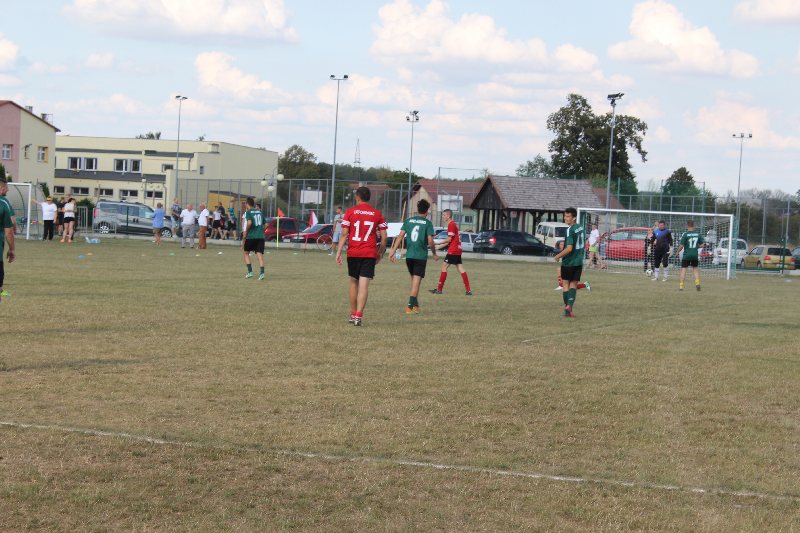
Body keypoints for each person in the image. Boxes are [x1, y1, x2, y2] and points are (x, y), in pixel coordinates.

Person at [335, 186, 388, 326]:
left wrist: (338, 252)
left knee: (354, 282)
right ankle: (358, 316)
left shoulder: (350, 212)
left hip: (353, 252)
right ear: (369, 198)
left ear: (357, 197)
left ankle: (353, 314)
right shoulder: (377, 214)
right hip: (369, 253)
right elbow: (384, 238)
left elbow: (344, 234)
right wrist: (380, 253)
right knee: (364, 285)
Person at [388, 199, 438, 314]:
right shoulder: (427, 223)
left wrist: (392, 251)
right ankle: (409, 307)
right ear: (427, 211)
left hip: (409, 256)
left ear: (417, 209)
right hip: (420, 256)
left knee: (415, 281)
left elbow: (400, 236)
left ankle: (415, 305)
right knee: (416, 281)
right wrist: (434, 253)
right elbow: (430, 241)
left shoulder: (408, 221)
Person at [430, 208, 472, 295]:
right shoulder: (453, 224)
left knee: (444, 267)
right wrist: (439, 247)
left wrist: (438, 242)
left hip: (453, 250)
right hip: (457, 249)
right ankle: (468, 290)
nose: (443, 216)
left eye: (444, 215)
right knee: (460, 269)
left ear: (448, 216)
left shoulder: (451, 225)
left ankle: (439, 290)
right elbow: (451, 241)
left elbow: (449, 240)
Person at [553, 207, 585, 318]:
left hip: (568, 262)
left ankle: (567, 308)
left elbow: (569, 248)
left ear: (574, 217)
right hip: (578, 261)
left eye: (568, 216)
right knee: (574, 285)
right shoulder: (581, 227)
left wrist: (558, 256)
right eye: (565, 216)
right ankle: (569, 307)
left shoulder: (569, 230)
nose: (565, 218)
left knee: (565, 284)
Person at [241, 197, 266, 280]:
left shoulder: (248, 212)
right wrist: (261, 231)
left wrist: (246, 231)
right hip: (261, 237)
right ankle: (262, 273)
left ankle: (250, 272)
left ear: (247, 204)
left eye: (245, 203)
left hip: (251, 236)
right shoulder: (259, 212)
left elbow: (249, 223)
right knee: (259, 254)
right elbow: (266, 224)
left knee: (246, 253)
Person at [676, 220, 705, 291]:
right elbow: (703, 245)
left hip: (687, 255)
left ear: (687, 226)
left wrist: (677, 252)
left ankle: (681, 286)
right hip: (695, 255)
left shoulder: (685, 235)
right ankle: (697, 284)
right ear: (693, 226)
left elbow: (681, 246)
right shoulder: (698, 234)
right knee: (695, 269)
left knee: (683, 269)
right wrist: (698, 246)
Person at [0, 178, 16, 303]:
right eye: (6, 187)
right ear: (1, 188)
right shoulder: (3, 203)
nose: (8, 190)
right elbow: (9, 231)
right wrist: (12, 249)